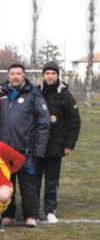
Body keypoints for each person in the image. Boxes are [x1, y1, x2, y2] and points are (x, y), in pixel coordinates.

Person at [0, 63, 50, 227]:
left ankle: (31, 215)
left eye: (19, 73)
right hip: (4, 150)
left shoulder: (33, 94)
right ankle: (9, 214)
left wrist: (38, 149)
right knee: (6, 183)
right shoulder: (1, 93)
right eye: (12, 73)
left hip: (25, 150)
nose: (15, 76)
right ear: (8, 76)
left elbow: (44, 122)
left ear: (24, 75)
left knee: (28, 185)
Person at [37, 61, 81, 223]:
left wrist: (69, 144)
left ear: (57, 75)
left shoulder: (65, 94)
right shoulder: (36, 92)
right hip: (37, 145)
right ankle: (33, 210)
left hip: (55, 145)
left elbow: (74, 121)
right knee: (34, 179)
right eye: (47, 73)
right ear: (43, 75)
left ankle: (50, 210)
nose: (50, 76)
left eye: (53, 73)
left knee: (52, 179)